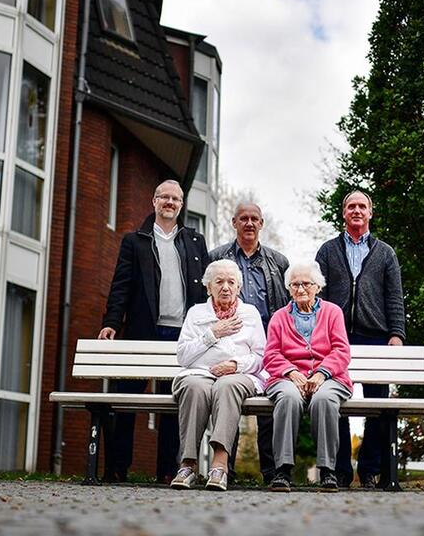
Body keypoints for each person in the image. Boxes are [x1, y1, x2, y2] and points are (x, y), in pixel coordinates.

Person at [98, 179, 209, 483]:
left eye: (176, 199)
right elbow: (120, 285)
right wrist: (111, 322)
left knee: (173, 404)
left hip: (181, 335)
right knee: (126, 399)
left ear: (181, 205)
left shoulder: (195, 242)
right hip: (142, 331)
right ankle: (117, 467)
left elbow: (204, 292)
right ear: (154, 201)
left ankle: (167, 470)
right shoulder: (135, 241)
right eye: (164, 197)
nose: (170, 202)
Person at [315, 190, 405, 488]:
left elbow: (394, 297)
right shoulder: (328, 251)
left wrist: (396, 334)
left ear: (370, 213)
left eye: (362, 206)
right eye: (351, 206)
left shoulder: (385, 253)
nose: (356, 210)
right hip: (335, 338)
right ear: (343, 213)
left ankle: (369, 470)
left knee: (378, 406)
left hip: (376, 337)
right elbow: (318, 296)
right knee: (334, 403)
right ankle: (340, 470)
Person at [208, 202, 289, 483]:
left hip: (268, 344)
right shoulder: (217, 258)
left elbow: (285, 305)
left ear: (262, 223)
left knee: (269, 409)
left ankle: (271, 472)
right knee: (227, 401)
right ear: (234, 223)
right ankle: (225, 470)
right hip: (230, 343)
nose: (249, 223)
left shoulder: (278, 262)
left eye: (255, 219)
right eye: (243, 218)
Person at [170, 260, 266, 491]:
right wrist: (212, 334)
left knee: (226, 386)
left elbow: (261, 357)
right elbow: (183, 356)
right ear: (208, 287)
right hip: (199, 373)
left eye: (231, 282)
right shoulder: (196, 313)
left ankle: (220, 465)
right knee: (194, 387)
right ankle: (187, 465)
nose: (225, 287)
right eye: (219, 282)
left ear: (238, 287)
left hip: (238, 374)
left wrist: (235, 364)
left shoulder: (250, 313)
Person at [264, 261, 352, 493]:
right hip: (288, 378)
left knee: (324, 399)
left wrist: (322, 373)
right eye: (295, 284)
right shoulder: (279, 317)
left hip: (330, 378)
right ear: (288, 288)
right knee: (288, 398)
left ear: (318, 287)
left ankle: (327, 470)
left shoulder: (333, 312)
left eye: (306, 284)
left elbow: (341, 350)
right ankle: (283, 470)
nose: (300, 289)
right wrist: (292, 372)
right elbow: (271, 355)